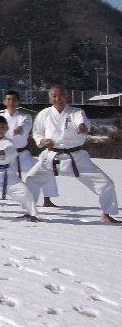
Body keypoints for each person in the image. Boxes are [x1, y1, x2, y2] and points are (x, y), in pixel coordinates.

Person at [23, 85, 119, 224]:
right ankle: (30, 213)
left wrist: (82, 127)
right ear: (50, 98)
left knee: (106, 183)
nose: (58, 99)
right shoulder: (44, 114)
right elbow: (37, 133)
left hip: (76, 157)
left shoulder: (76, 112)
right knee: (31, 180)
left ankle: (107, 214)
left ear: (67, 97)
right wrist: (42, 141)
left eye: (61, 95)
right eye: (54, 96)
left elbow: (82, 123)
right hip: (51, 157)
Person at [0, 90, 57, 207]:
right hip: (3, 156)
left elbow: (26, 125)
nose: (11, 102)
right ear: (4, 102)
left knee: (45, 171)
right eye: (9, 100)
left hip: (22, 155)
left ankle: (47, 199)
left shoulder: (25, 116)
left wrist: (20, 129)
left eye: (14, 100)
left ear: (18, 102)